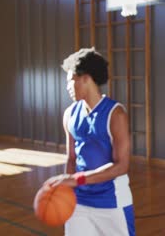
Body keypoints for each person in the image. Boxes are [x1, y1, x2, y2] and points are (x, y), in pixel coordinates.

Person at [44, 48, 135, 236]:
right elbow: (71, 158)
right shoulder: (69, 114)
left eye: (70, 80)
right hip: (80, 201)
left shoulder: (115, 114)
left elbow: (121, 166)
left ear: (85, 78)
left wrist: (77, 179)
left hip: (112, 200)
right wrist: (66, 190)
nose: (68, 86)